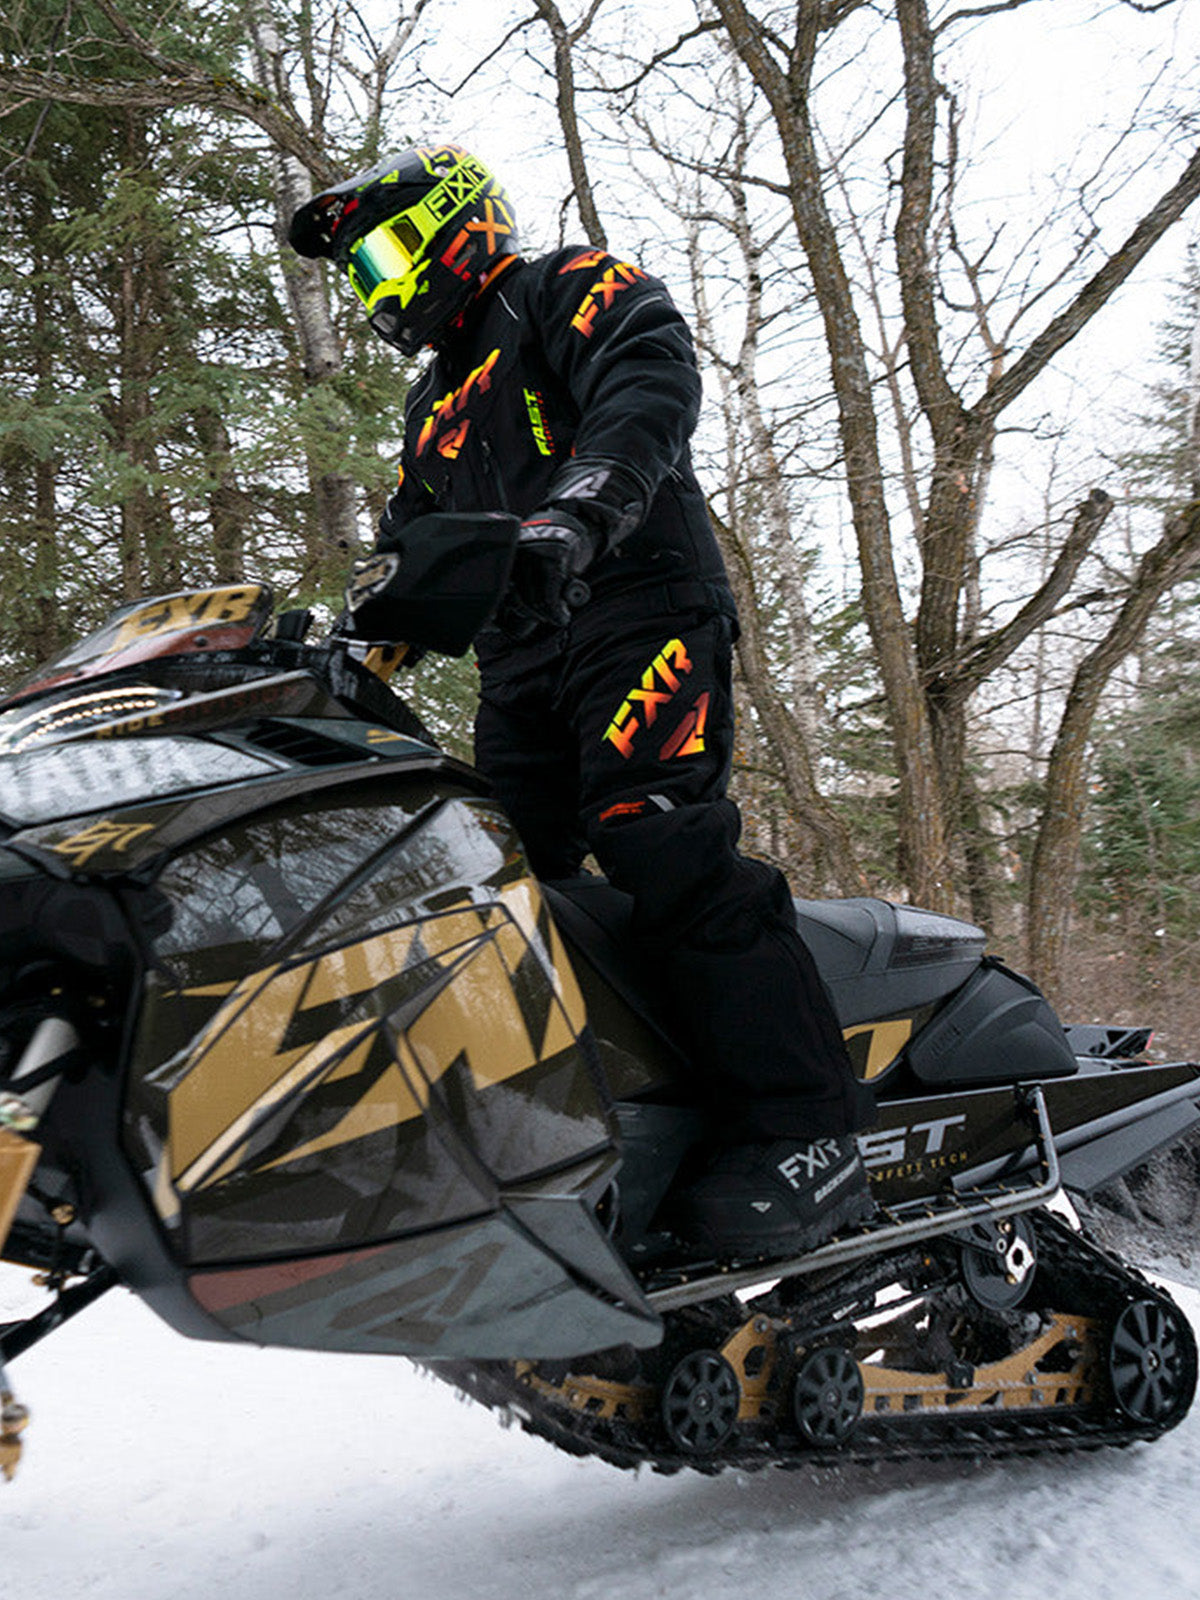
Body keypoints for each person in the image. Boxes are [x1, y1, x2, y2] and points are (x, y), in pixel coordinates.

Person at [289, 143, 876, 1259]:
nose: (376, 282)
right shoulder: (430, 407)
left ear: (463, 222)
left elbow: (647, 378)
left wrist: (581, 510)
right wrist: (343, 658)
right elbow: (413, 557)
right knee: (495, 880)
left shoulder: (563, 288)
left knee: (656, 834)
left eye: (388, 248)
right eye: (359, 267)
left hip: (636, 601)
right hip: (523, 658)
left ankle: (809, 1124)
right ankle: (586, 1127)